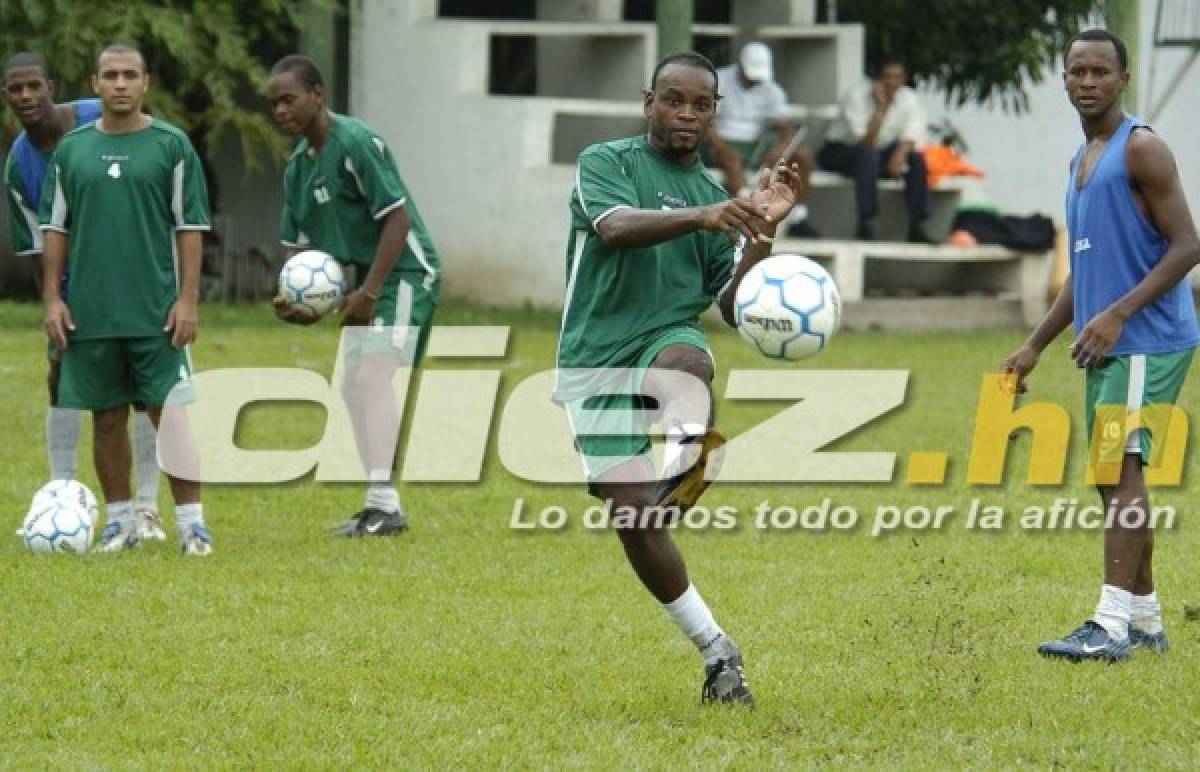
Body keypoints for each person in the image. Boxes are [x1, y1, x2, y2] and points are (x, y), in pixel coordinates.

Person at [555, 51, 805, 704]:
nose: (686, 114)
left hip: (666, 335)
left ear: (714, 112)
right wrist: (707, 216)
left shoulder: (711, 199)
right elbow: (612, 229)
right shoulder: (607, 164)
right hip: (594, 359)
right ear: (649, 102)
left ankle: (689, 454)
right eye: (674, 100)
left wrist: (762, 235)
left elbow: (729, 303)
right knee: (635, 521)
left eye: (700, 104)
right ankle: (717, 650)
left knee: (686, 362)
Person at [1002, 28, 1199, 661]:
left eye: (1099, 72)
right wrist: (1033, 345)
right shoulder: (1081, 159)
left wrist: (1117, 314)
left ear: (1123, 79)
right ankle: (1143, 621)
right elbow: (1086, 270)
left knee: (1122, 470)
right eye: (1076, 72)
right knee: (1112, 479)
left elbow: (1189, 246)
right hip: (1111, 341)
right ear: (1064, 80)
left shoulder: (1143, 150)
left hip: (1147, 339)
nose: (1087, 82)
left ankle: (1110, 626)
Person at [39, 43, 214, 555]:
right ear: (94, 82)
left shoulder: (172, 144)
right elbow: (55, 228)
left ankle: (192, 525)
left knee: (170, 414)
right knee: (107, 415)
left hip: (156, 310)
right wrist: (53, 299)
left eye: (130, 75)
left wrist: (188, 301)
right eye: (110, 75)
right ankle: (119, 522)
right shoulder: (70, 150)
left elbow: (190, 229)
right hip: (91, 310)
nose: (120, 84)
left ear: (146, 84)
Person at [265, 54, 440, 537]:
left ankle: (385, 506)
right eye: (273, 103)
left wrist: (367, 292)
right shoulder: (298, 169)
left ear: (317, 95)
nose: (280, 110)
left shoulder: (356, 142)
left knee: (369, 380)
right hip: (366, 280)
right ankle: (381, 504)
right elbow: (298, 253)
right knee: (353, 387)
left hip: (404, 271)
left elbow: (397, 219)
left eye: (289, 99)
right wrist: (293, 301)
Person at [4, 52, 167, 542]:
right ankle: (60, 493)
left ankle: (147, 509)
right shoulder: (18, 164)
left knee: (145, 392)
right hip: (78, 290)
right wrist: (53, 303)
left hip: (139, 282)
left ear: (52, 85)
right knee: (63, 380)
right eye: (16, 89)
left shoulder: (104, 115)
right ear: (7, 96)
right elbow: (38, 245)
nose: (28, 96)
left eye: (35, 85)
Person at [705, 41, 817, 237]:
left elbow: (785, 127)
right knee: (731, 158)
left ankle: (799, 216)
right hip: (723, 139)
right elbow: (708, 123)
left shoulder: (772, 88)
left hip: (757, 143)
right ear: (740, 64)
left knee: (802, 156)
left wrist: (780, 147)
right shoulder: (719, 80)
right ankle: (747, 206)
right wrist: (722, 148)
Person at [818, 58, 933, 242]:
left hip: (878, 154)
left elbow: (913, 132)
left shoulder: (908, 98)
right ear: (877, 78)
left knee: (915, 160)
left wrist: (901, 154)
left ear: (904, 80)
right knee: (867, 156)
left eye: (897, 77)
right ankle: (866, 222)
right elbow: (866, 141)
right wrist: (882, 107)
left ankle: (917, 225)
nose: (892, 83)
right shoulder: (856, 96)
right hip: (842, 151)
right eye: (887, 77)